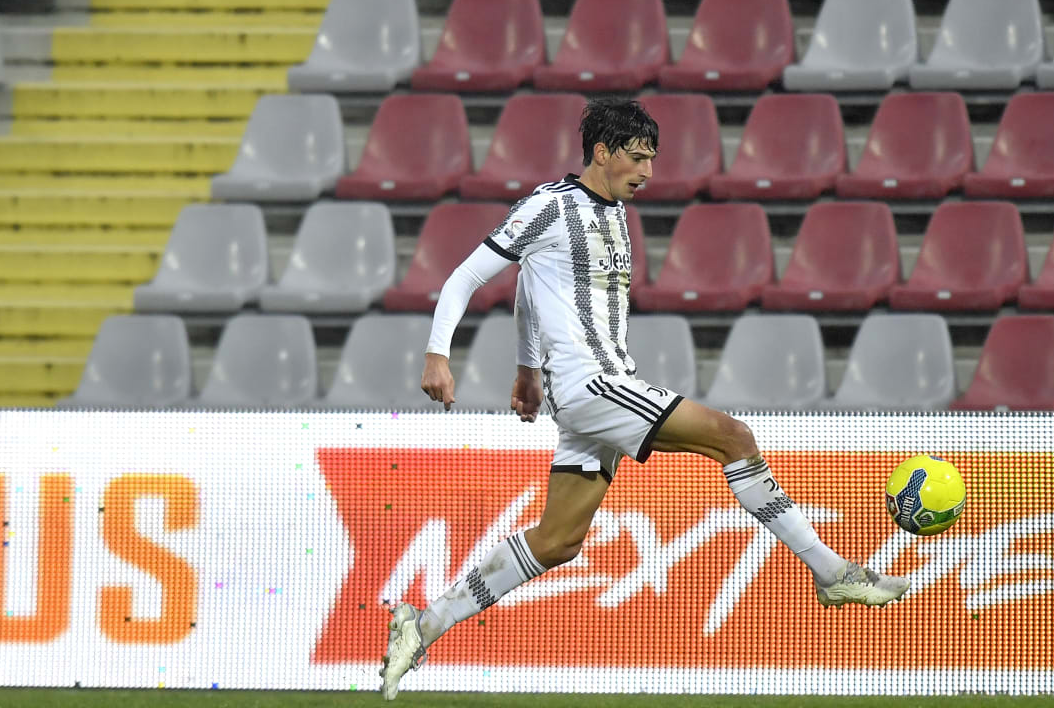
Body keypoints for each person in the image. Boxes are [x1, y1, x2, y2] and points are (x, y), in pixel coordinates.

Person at [380, 98, 909, 700]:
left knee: (557, 541)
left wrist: (528, 370)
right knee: (734, 439)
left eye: (652, 159)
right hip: (594, 385)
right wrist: (437, 353)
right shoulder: (550, 206)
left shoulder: (611, 215)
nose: (647, 172)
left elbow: (530, 284)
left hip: (585, 398)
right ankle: (832, 573)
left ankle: (421, 626)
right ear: (601, 152)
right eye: (636, 157)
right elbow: (467, 276)